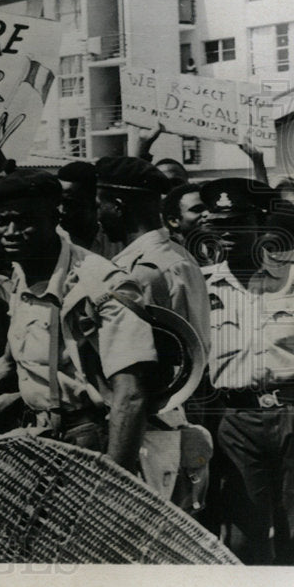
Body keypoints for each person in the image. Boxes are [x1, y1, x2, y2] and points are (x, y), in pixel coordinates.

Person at [0, 170, 159, 472]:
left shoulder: (99, 283)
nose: (10, 231)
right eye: (2, 221)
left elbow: (131, 394)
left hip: (90, 442)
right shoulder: (22, 274)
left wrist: (112, 482)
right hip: (38, 439)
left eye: (24, 221)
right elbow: (11, 364)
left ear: (54, 217)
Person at [200, 178, 294, 565]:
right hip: (238, 421)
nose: (226, 232)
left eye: (238, 222)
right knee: (242, 538)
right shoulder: (203, 285)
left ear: (262, 222)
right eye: (218, 223)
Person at [95, 157, 212, 506]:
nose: (98, 216)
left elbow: (154, 370)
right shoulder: (174, 256)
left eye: (100, 205)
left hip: (148, 428)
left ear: (118, 207)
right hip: (169, 422)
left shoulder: (145, 271)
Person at [161, 182, 208, 251]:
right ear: (173, 221)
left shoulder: (209, 251)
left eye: (211, 209)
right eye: (197, 209)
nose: (207, 213)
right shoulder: (168, 254)